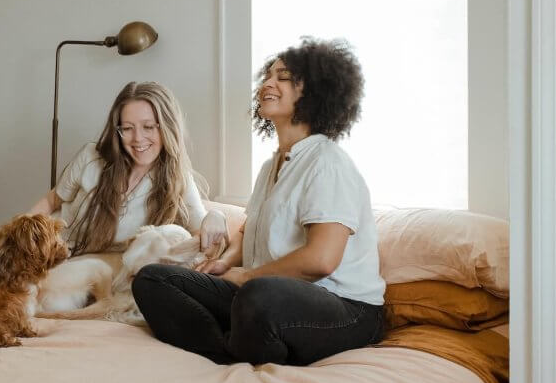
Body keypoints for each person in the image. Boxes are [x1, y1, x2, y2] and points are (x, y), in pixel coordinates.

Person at [132, 38, 386, 366]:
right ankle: (229, 350)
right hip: (264, 296)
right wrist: (225, 263)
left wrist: (248, 277)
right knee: (153, 279)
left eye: (282, 77)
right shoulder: (272, 166)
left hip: (346, 310)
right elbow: (248, 228)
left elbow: (321, 260)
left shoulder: (327, 162)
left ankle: (243, 339)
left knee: (258, 296)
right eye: (267, 75)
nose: (267, 83)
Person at [28, 81, 227, 256]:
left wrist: (217, 216)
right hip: (54, 255)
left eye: (148, 127)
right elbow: (52, 200)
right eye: (127, 128)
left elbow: (203, 236)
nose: (138, 138)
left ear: (167, 127)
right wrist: (13, 230)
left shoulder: (177, 178)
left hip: (104, 270)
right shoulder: (90, 157)